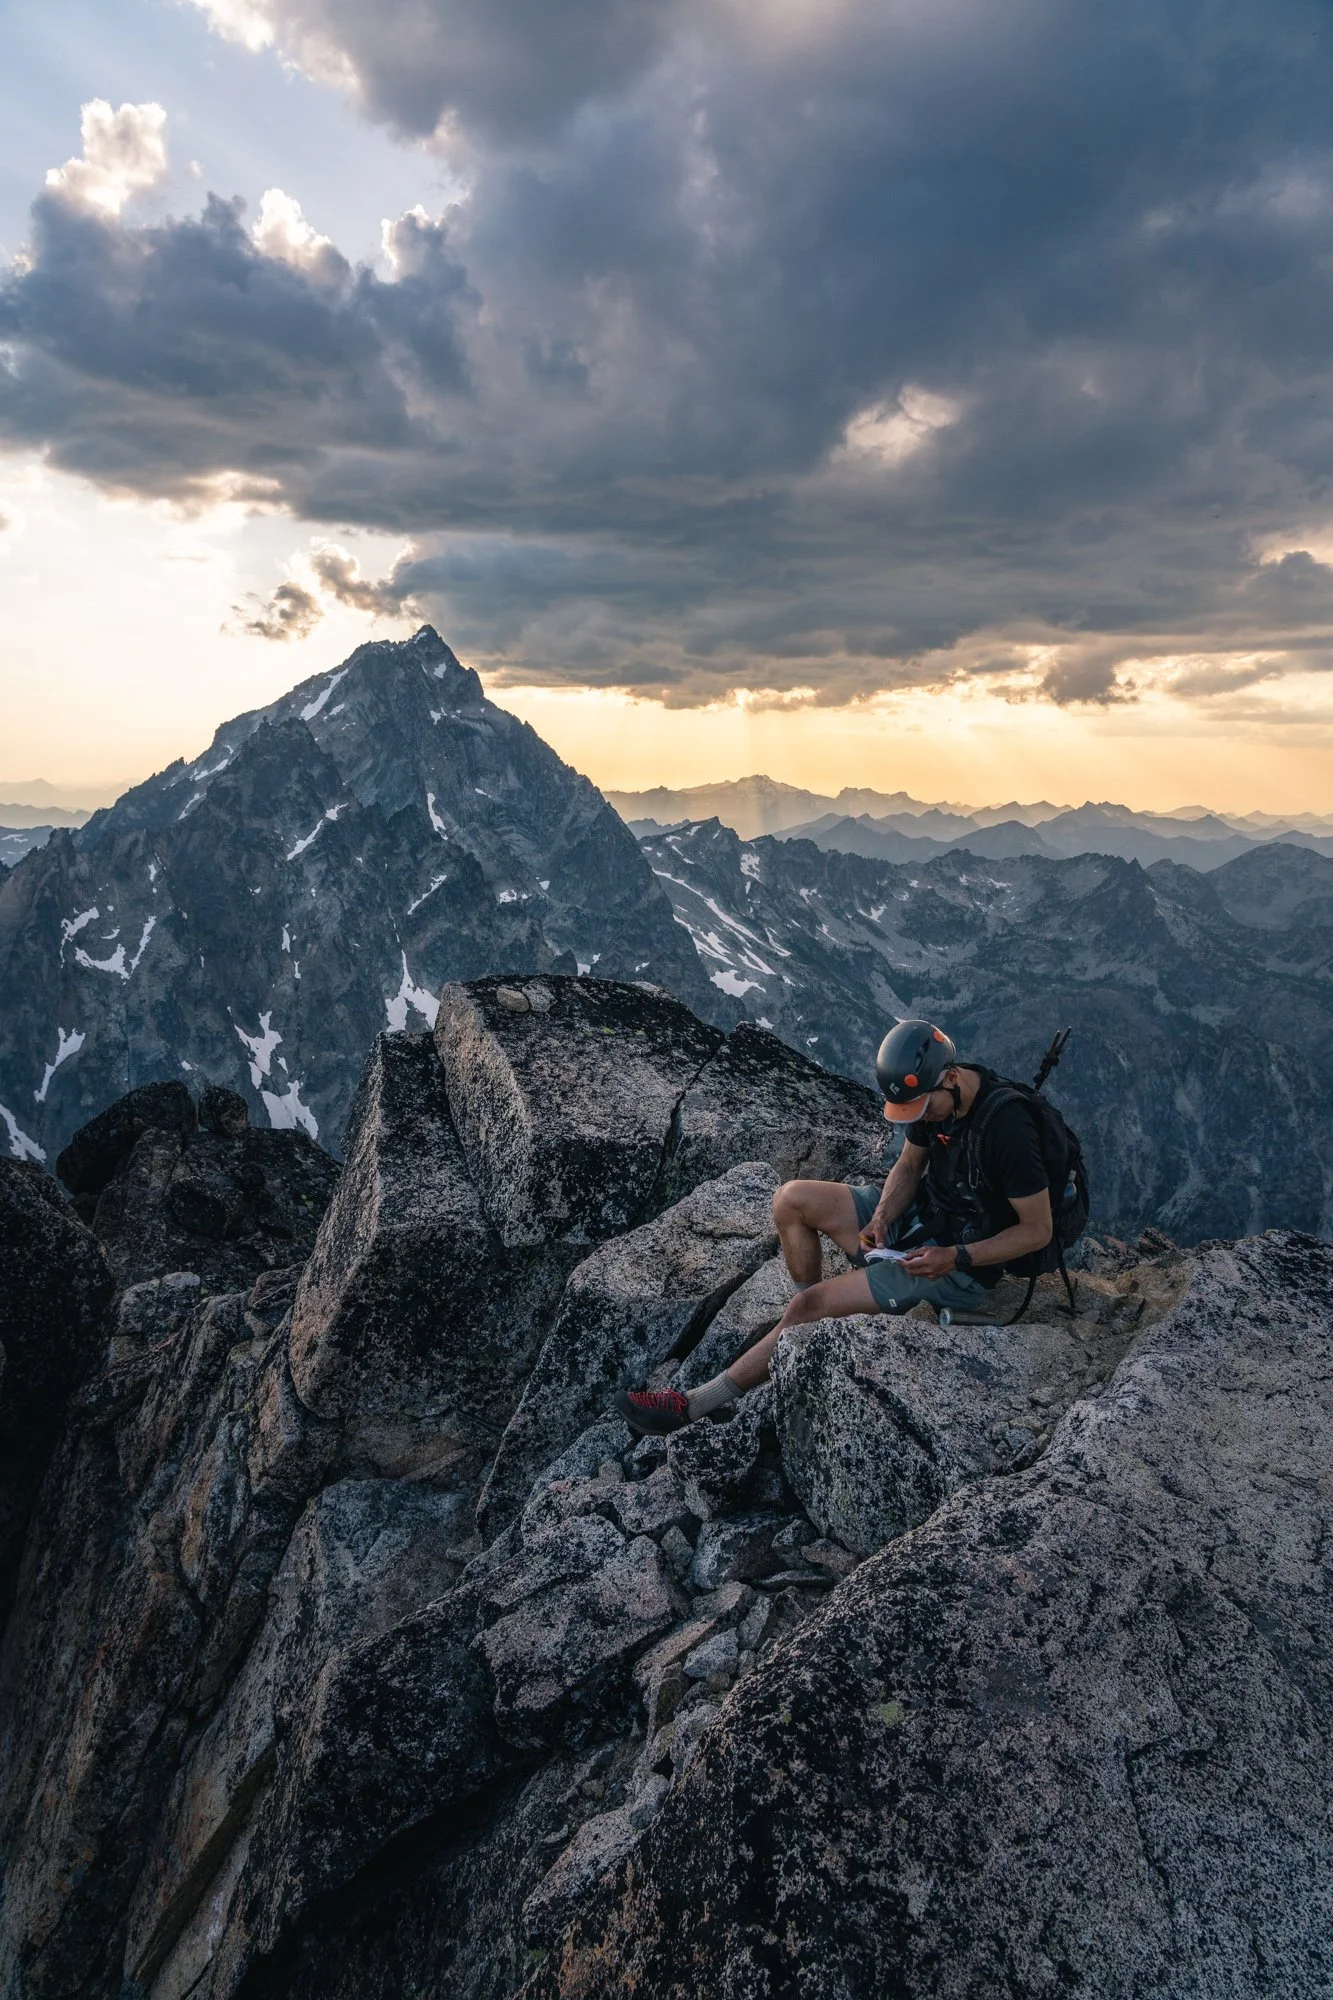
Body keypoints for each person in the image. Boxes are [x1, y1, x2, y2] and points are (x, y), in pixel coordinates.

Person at [613, 1017, 1054, 1436]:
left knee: (807, 1309)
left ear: (952, 1078)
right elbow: (908, 1165)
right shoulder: (935, 1103)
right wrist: (882, 1215)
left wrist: (955, 1257)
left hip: (959, 1267)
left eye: (924, 1107)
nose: (921, 1117)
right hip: (920, 1224)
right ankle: (804, 1322)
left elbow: (1037, 1231)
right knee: (791, 1200)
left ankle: (694, 1405)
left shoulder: (1006, 1130)